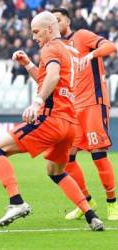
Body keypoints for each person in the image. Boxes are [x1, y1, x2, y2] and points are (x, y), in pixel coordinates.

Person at [0, 11, 104, 231]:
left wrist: (38, 102)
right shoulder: (71, 51)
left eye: (36, 31)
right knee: (56, 172)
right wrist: (30, 65)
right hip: (69, 124)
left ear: (50, 29)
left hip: (51, 119)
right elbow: (52, 81)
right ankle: (92, 216)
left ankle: (16, 202)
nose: (33, 37)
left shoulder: (50, 48)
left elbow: (52, 77)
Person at [50, 8, 118, 221]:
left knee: (98, 154)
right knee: (67, 158)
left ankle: (112, 203)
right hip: (72, 107)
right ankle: (86, 202)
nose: (55, 24)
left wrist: (91, 54)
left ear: (67, 21)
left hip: (93, 102)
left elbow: (110, 46)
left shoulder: (82, 36)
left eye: (58, 20)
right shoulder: (57, 48)